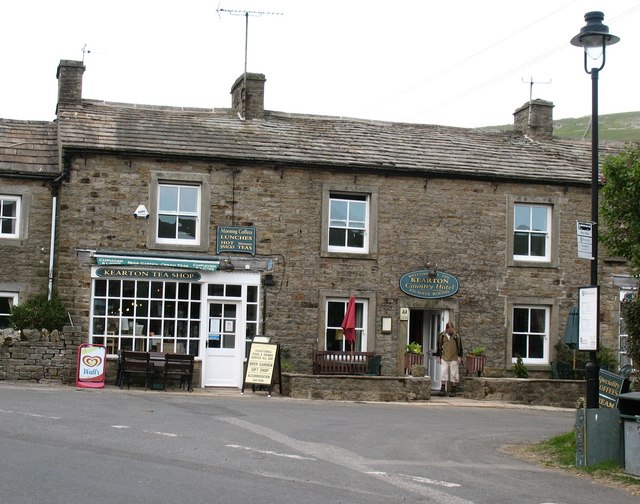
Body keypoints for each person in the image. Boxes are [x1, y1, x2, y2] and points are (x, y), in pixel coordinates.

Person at [436, 322, 463, 397]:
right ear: (447, 329)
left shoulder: (457, 336)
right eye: (450, 330)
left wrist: (459, 356)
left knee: (454, 373)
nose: (451, 331)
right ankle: (442, 388)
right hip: (444, 357)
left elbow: (460, 347)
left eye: (452, 329)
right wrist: (438, 356)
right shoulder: (442, 335)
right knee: (443, 372)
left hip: (454, 357)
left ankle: (453, 389)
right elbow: (439, 346)